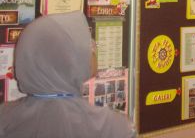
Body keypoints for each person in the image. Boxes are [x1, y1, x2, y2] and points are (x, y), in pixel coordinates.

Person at [0, 11, 135, 138]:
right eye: (90, 45)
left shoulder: (5, 117)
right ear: (69, 59)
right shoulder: (113, 127)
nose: (93, 51)